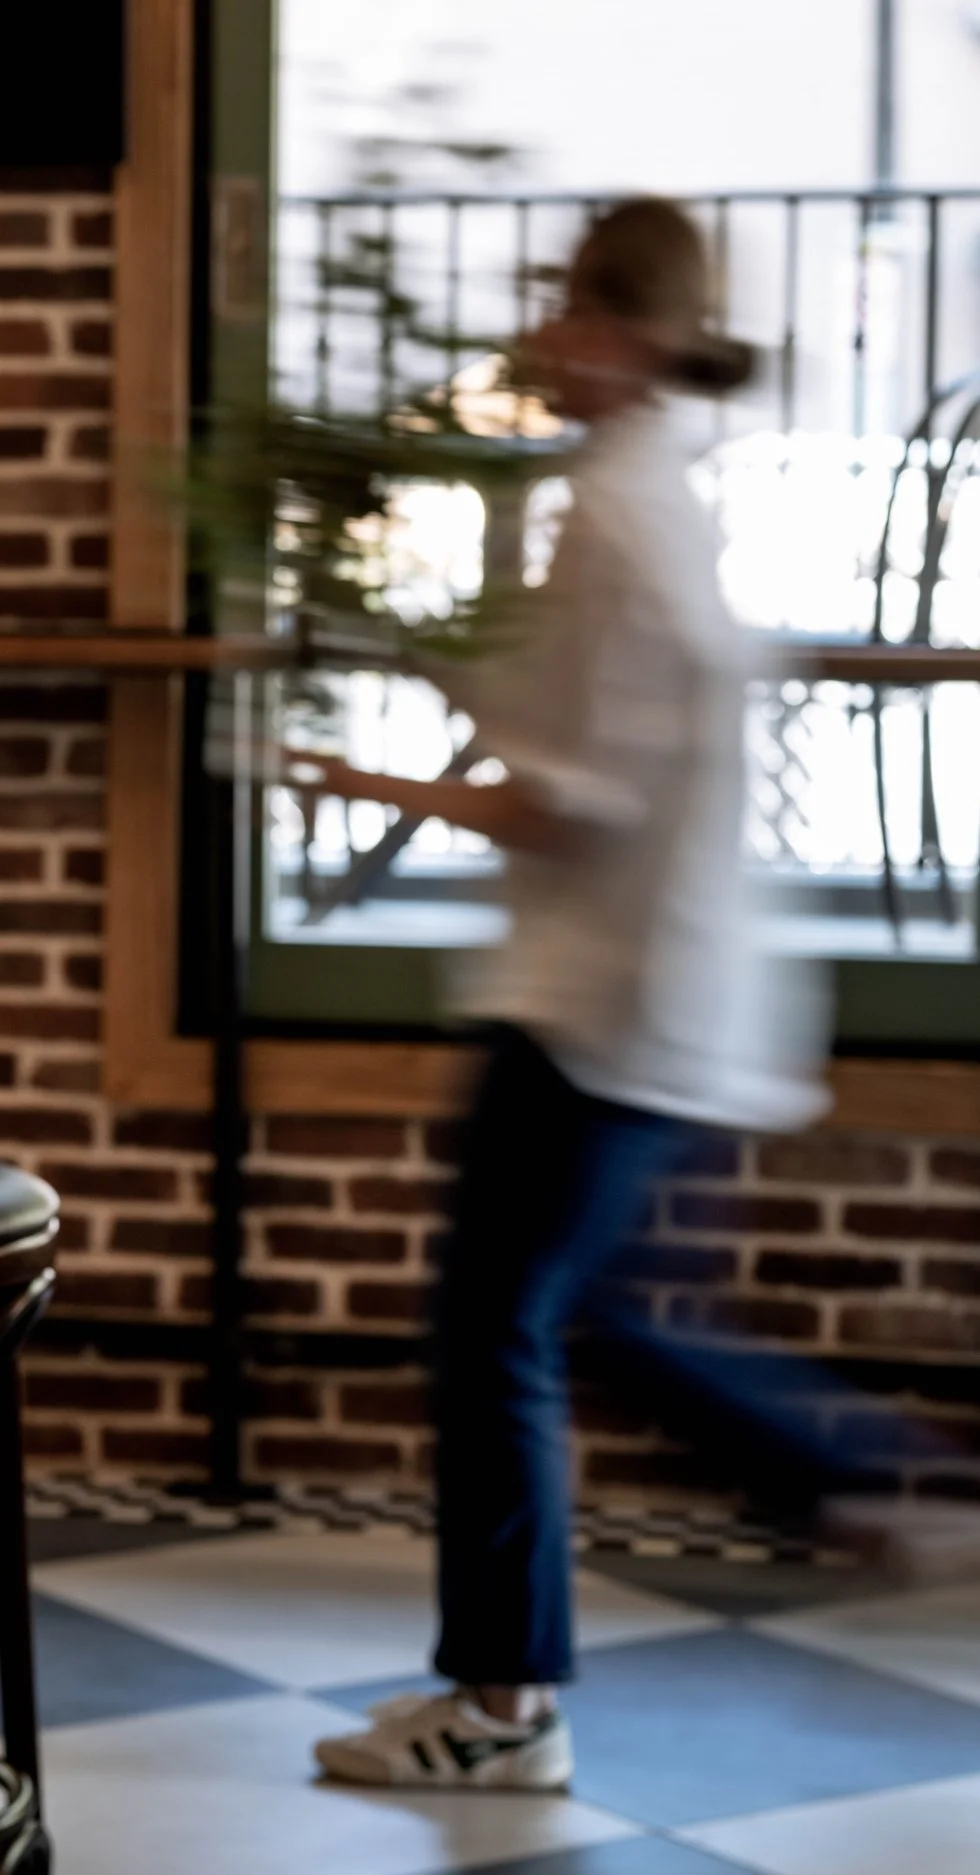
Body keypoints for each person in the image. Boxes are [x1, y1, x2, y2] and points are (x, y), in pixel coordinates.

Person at [300, 198, 967, 1794]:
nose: (537, 334)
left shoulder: (616, 511)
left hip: (604, 1004)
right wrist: (400, 647)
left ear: (617, 330)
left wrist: (365, 773)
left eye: (561, 309)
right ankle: (853, 1482)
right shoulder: (651, 492)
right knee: (582, 1312)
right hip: (660, 998)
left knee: (496, 1328)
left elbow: (567, 797)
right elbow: (568, 716)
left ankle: (513, 1704)